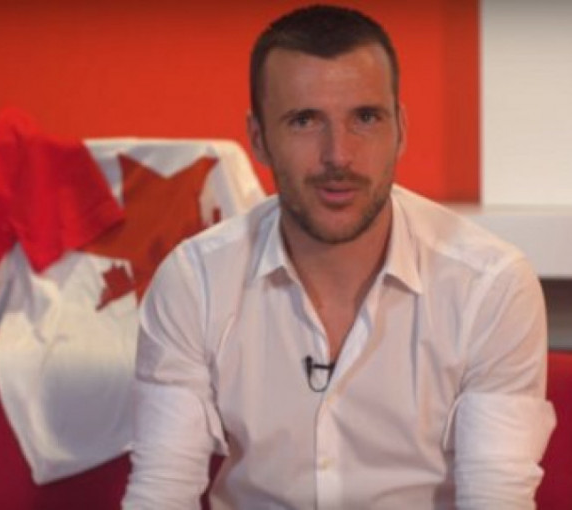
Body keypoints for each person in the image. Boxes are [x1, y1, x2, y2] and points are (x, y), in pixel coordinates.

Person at [122, 4, 556, 509]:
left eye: (366, 118)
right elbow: (162, 493)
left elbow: (496, 499)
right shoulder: (194, 281)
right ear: (259, 139)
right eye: (305, 121)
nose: (339, 156)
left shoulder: (490, 285)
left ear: (400, 130)